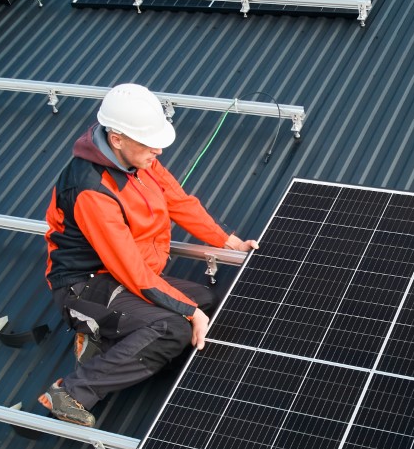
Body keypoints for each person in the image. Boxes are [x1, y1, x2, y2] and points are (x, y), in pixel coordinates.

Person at [39, 83, 256, 426]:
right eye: (148, 141)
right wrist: (188, 313)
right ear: (117, 139)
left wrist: (228, 241)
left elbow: (178, 202)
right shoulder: (91, 190)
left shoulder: (141, 159)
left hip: (124, 276)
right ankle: (71, 392)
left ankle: (104, 335)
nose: (157, 149)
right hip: (85, 286)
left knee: (205, 298)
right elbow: (131, 272)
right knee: (175, 327)